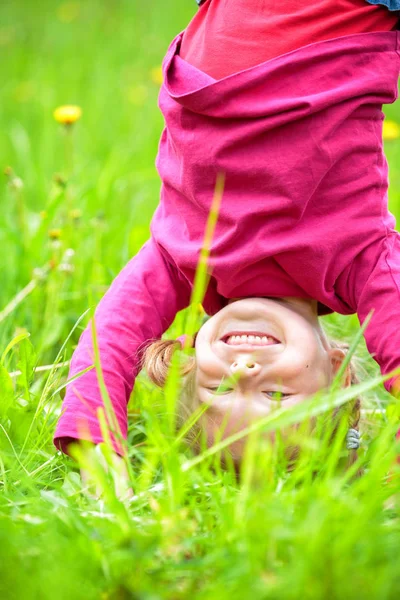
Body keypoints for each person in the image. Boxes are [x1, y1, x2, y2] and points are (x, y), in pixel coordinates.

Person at [54, 0, 400, 464]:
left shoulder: (184, 260)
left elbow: (109, 339)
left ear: (191, 355)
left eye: (219, 386)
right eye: (275, 395)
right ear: (336, 374)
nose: (245, 370)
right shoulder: (361, 266)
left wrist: (95, 453)